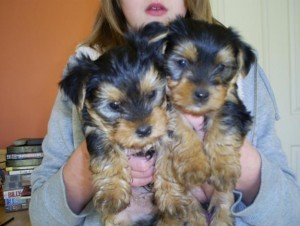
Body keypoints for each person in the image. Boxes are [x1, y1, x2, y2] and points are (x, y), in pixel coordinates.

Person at [29, 1, 300, 225]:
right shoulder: (86, 72)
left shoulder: (242, 71)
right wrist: (93, 162)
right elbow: (42, 218)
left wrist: (235, 160)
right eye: (181, 64)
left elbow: (291, 213)